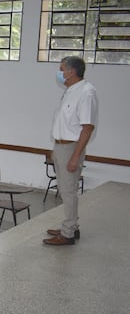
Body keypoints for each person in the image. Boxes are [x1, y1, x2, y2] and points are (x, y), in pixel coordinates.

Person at [43, 56, 97, 246]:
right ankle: (71, 226)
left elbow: (87, 127)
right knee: (66, 190)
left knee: (68, 192)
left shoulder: (86, 92)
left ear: (71, 71)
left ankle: (67, 234)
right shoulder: (70, 91)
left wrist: (74, 157)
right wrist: (55, 149)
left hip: (71, 147)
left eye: (61, 69)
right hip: (61, 146)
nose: (59, 73)